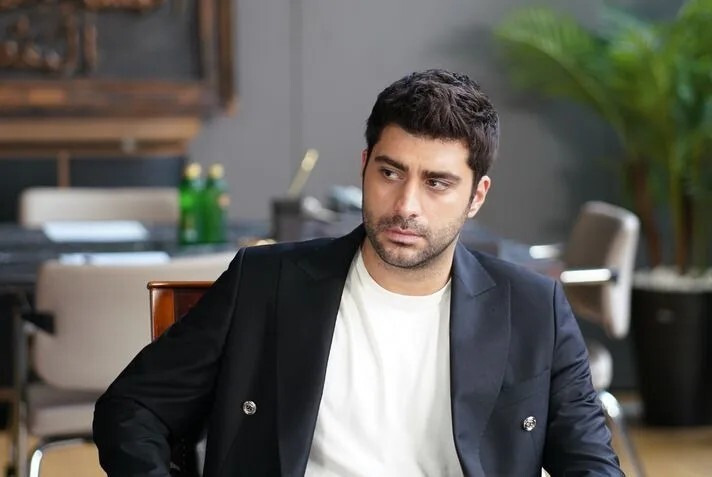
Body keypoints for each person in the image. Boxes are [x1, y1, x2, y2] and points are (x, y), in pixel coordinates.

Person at [93, 69, 623, 476]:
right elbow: (132, 408)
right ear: (364, 165)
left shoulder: (534, 309)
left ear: (476, 195)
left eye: (437, 183)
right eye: (390, 172)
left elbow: (592, 465)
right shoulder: (264, 283)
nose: (406, 205)